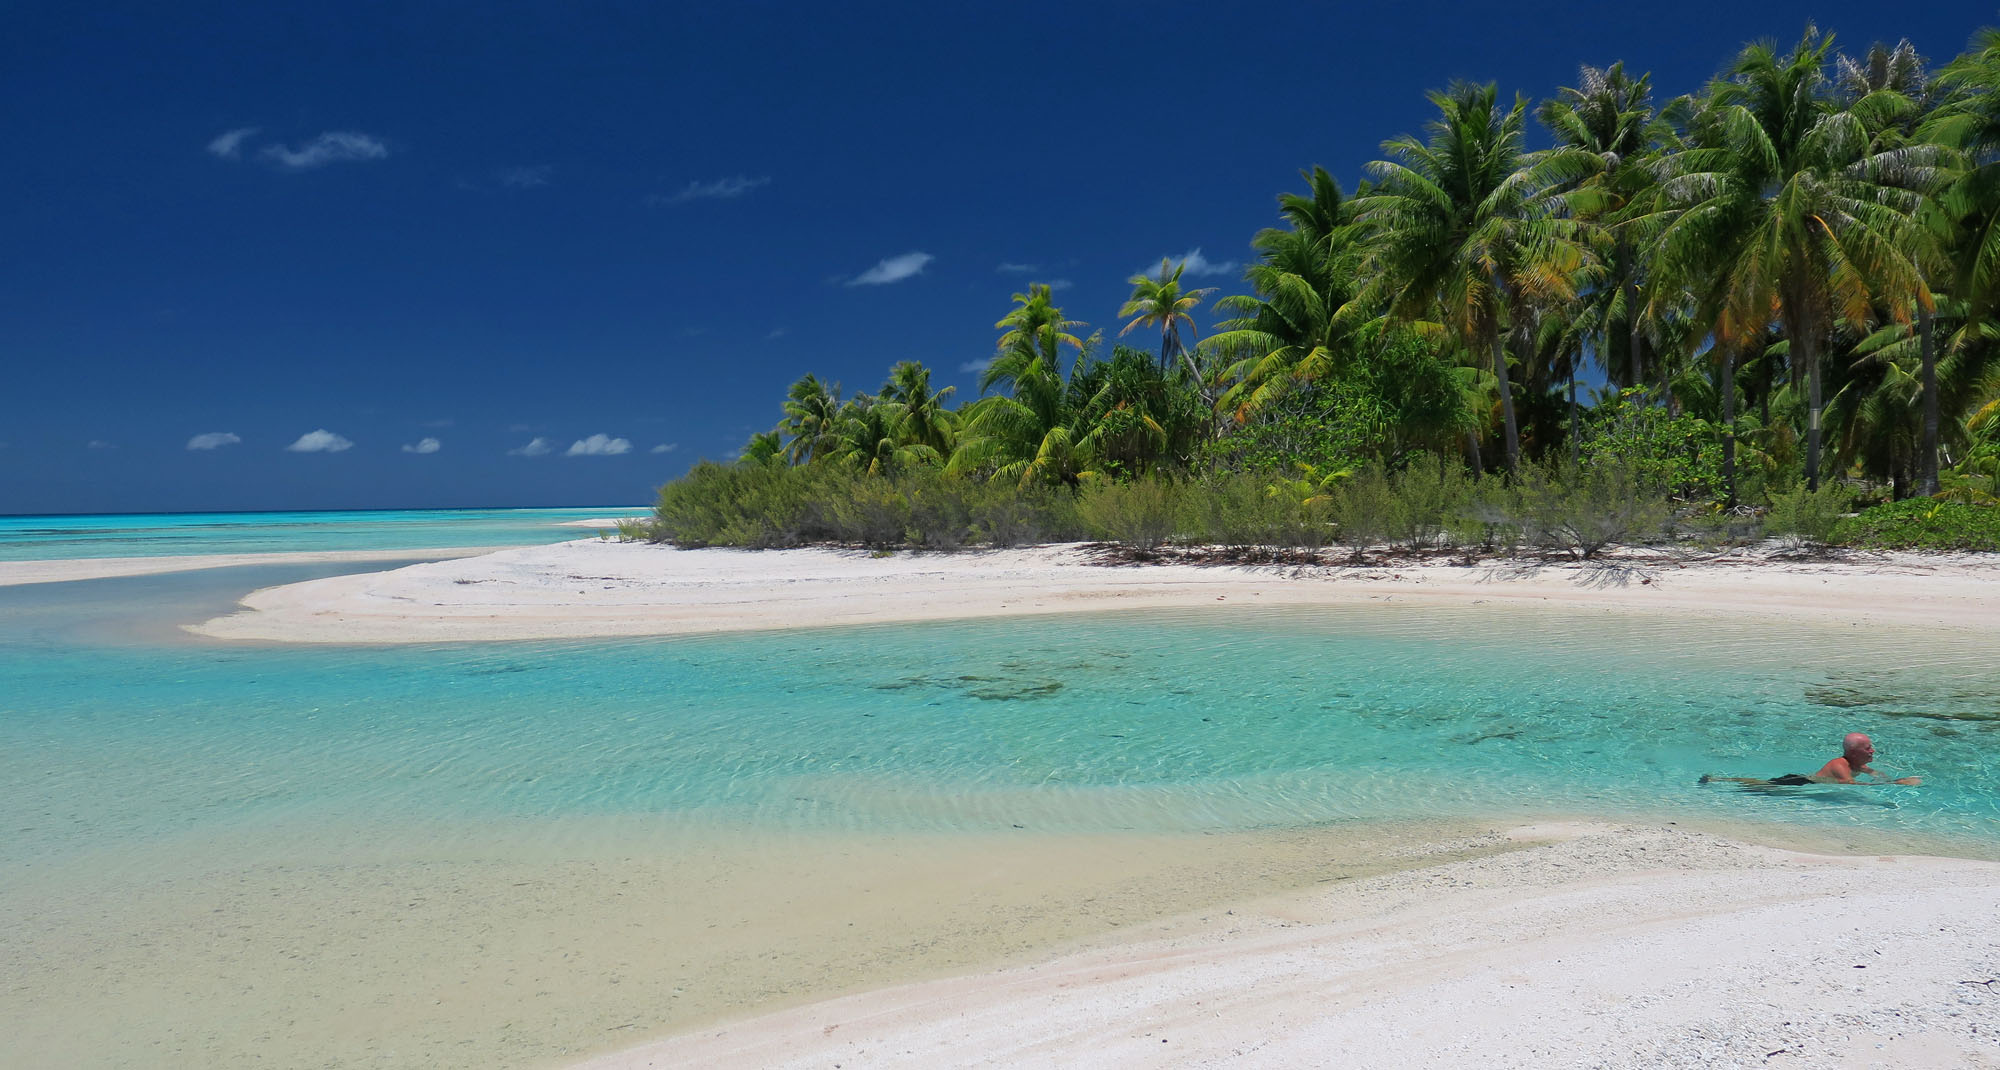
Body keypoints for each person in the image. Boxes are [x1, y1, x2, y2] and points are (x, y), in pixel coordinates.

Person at [1699, 732, 1921, 788]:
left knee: (1764, 785)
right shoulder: (1839, 765)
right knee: (1763, 785)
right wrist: (1896, 784)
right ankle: (1718, 780)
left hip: (1805, 781)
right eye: (1868, 748)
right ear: (1854, 752)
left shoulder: (1858, 765)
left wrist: (1890, 778)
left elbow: (1877, 775)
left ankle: (1721, 780)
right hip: (1801, 781)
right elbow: (1850, 786)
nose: (1873, 751)